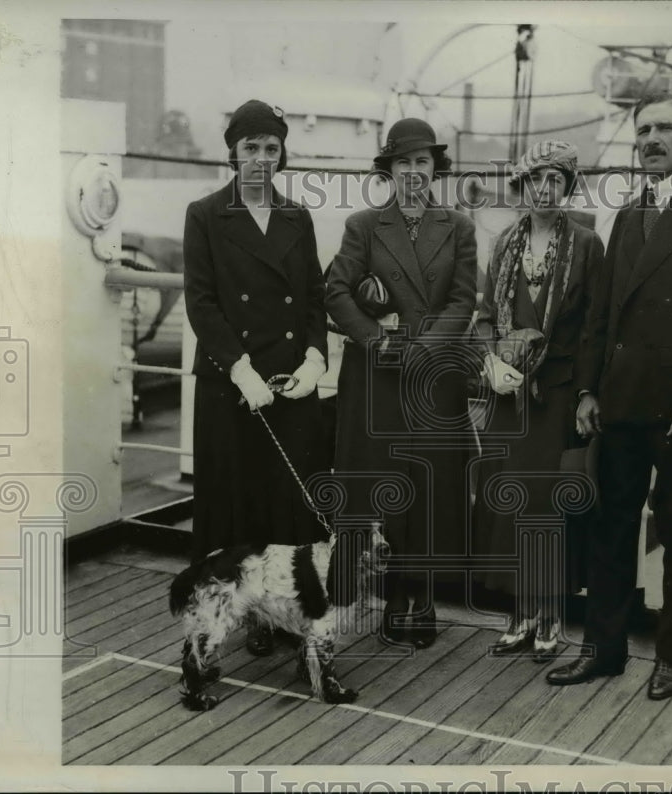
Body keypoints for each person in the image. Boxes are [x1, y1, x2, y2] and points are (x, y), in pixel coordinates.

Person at [546, 93, 672, 699]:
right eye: (644, 130)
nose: (652, 139)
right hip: (623, 401)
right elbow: (602, 317)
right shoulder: (629, 216)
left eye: (666, 128)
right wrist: (587, 389)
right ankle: (604, 651)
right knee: (611, 530)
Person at [183, 99, 330, 656]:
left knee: (286, 506)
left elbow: (314, 298)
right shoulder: (205, 214)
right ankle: (220, 622)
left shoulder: (298, 216)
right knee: (231, 504)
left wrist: (314, 360)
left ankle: (278, 616)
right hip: (231, 387)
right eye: (251, 148)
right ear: (233, 154)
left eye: (271, 148)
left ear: (282, 154)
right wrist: (241, 369)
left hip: (291, 387)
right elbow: (201, 302)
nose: (261, 160)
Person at [325, 118, 478, 649]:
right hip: (375, 377)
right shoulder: (364, 225)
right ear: (388, 170)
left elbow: (463, 300)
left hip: (432, 377)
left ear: (435, 169)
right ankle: (382, 596)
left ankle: (420, 596)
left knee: (430, 488)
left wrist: (423, 349)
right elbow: (336, 291)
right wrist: (376, 340)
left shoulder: (458, 226)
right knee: (377, 486)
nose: (414, 173)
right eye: (403, 163)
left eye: (422, 163)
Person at [471, 140, 604, 663]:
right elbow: (485, 315)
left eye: (555, 181)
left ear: (567, 188)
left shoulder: (588, 245)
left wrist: (586, 393)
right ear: (521, 187)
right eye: (534, 181)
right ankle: (517, 614)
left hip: (559, 394)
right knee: (508, 503)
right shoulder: (503, 243)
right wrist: (492, 362)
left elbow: (596, 327)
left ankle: (549, 615)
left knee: (547, 505)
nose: (544, 190)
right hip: (509, 395)